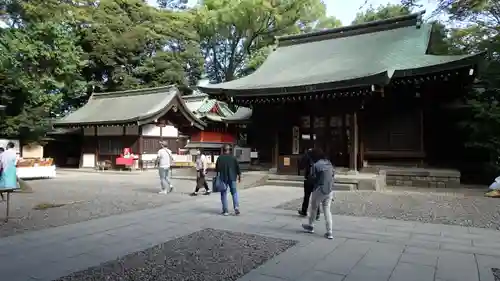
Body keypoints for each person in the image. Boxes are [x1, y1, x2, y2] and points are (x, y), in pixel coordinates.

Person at [301, 148, 335, 240]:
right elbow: (333, 176)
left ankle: (311, 226)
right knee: (327, 210)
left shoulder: (316, 165)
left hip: (319, 189)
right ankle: (329, 232)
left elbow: (312, 177)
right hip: (330, 189)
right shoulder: (329, 164)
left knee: (313, 207)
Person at [215, 144, 241, 216]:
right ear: (229, 150)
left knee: (223, 194)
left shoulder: (220, 158)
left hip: (223, 178)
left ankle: (225, 210)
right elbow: (237, 167)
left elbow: (217, 169)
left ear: (223, 150)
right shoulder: (233, 158)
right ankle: (236, 208)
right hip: (232, 177)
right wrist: (239, 176)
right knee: (234, 192)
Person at [298, 148, 320, 220]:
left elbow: (301, 166)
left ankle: (304, 210)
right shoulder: (319, 157)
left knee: (306, 196)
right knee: (316, 197)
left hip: (308, 178)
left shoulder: (307, 156)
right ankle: (317, 213)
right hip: (317, 180)